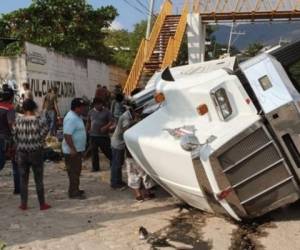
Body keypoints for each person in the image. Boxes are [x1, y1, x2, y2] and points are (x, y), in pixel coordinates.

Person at [14, 99, 50, 210]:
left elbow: (14, 136)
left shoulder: (18, 120)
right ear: (34, 107)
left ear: (23, 108)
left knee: (23, 179)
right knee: (38, 179)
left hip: (22, 152)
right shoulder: (40, 120)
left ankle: (23, 204)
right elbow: (44, 133)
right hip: (36, 152)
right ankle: (42, 204)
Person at [110, 102, 140, 189]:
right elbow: (126, 131)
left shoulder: (128, 115)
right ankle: (115, 183)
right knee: (117, 164)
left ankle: (117, 181)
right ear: (134, 110)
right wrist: (135, 122)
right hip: (118, 143)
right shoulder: (126, 118)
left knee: (118, 163)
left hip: (119, 142)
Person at [62, 98, 87, 199]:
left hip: (77, 149)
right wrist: (72, 148)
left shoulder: (77, 116)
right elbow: (67, 135)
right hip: (72, 151)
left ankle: (75, 189)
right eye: (82, 107)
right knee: (73, 172)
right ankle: (73, 192)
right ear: (77, 108)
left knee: (76, 171)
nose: (84, 109)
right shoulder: (71, 118)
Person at [0, 85, 20, 194]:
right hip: (6, 140)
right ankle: (18, 189)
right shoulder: (10, 108)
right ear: (11, 97)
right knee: (14, 163)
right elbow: (12, 124)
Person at [87, 98, 113, 172]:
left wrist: (106, 127)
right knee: (94, 152)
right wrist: (87, 130)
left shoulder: (107, 111)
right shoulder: (91, 112)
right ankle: (95, 168)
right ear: (94, 105)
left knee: (107, 151)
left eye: (100, 104)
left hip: (103, 136)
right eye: (97, 104)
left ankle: (113, 163)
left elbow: (111, 121)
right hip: (93, 135)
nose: (99, 106)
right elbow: (88, 122)